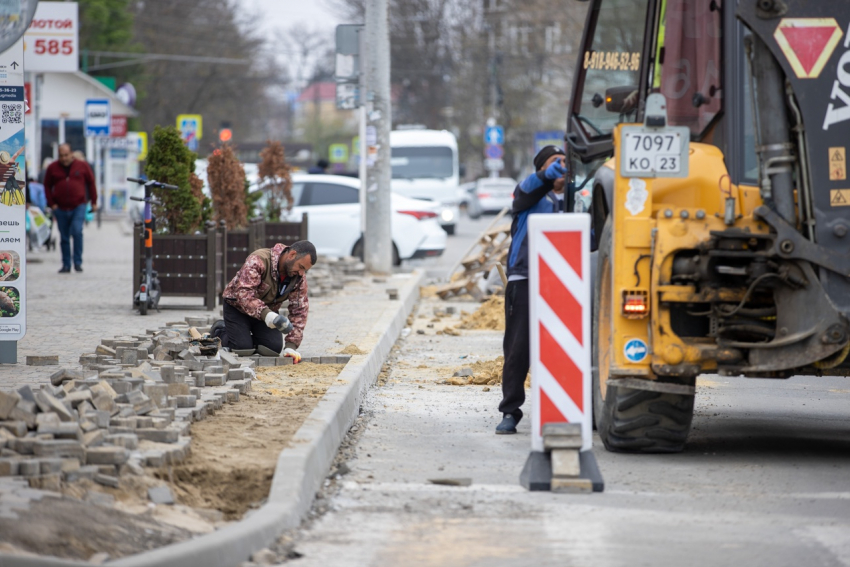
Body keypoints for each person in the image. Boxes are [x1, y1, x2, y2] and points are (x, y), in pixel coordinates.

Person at [496, 146, 567, 435]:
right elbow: (525, 189)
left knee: (565, 347)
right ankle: (510, 411)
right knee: (518, 348)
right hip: (525, 279)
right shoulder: (529, 196)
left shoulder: (578, 198)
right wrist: (546, 176)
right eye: (555, 162)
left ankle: (566, 408)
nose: (562, 166)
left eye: (565, 162)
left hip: (564, 283)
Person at [212, 240, 317, 363]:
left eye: (305, 270)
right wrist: (267, 315)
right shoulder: (259, 259)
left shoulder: (298, 277)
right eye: (301, 267)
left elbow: (299, 310)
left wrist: (291, 346)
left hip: (266, 315)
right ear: (292, 255)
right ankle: (220, 330)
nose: (301, 273)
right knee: (241, 348)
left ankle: (247, 338)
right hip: (237, 308)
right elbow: (244, 294)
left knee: (272, 348)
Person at [44, 143, 98, 273]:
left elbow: (91, 182)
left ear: (71, 153)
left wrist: (94, 201)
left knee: (77, 231)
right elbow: (46, 186)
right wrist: (52, 204)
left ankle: (78, 262)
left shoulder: (82, 166)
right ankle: (66, 264)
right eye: (61, 156)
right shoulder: (53, 168)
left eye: (66, 155)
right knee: (64, 237)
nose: (64, 158)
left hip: (78, 205)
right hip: (60, 207)